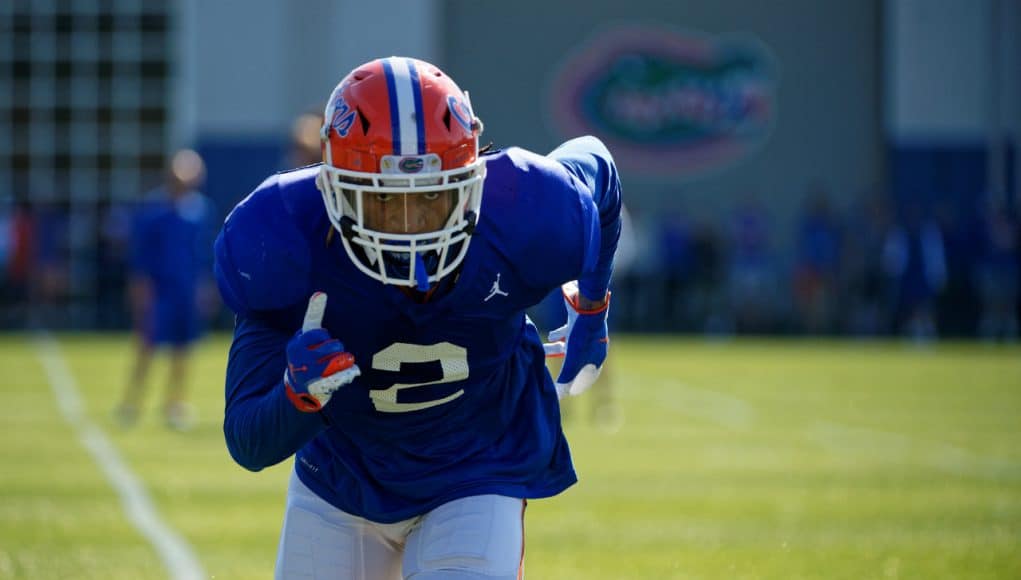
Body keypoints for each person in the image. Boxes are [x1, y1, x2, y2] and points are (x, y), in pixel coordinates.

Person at [213, 56, 622, 579]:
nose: (409, 229)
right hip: (343, 480)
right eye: (383, 204)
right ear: (332, 188)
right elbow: (247, 441)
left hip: (479, 465)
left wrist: (593, 307)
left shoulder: (528, 204)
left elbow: (600, 169)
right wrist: (298, 396)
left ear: (472, 180)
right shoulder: (279, 237)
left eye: (431, 197)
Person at [116, 149, 216, 431]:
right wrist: (140, 293)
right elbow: (141, 258)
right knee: (146, 346)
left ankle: (175, 404)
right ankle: (131, 402)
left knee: (183, 350)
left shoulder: (200, 210)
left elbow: (203, 255)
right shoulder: (153, 211)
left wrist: (204, 288)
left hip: (186, 290)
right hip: (159, 292)